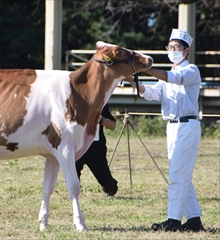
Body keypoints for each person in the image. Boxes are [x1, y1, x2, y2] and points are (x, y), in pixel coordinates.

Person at [125, 29, 204, 232]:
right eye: (170, 47)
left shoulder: (191, 70)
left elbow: (173, 78)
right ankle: (194, 221)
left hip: (187, 126)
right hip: (172, 126)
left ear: (187, 50)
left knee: (178, 175)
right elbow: (154, 93)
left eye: (176, 47)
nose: (172, 51)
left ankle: (173, 221)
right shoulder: (167, 74)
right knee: (181, 174)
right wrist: (135, 81)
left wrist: (143, 67)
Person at [76, 104, 118, 197]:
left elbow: (113, 125)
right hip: (78, 147)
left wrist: (100, 119)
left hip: (96, 149)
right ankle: (74, 191)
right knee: (73, 170)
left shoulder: (101, 103)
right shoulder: (73, 103)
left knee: (110, 188)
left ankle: (109, 188)